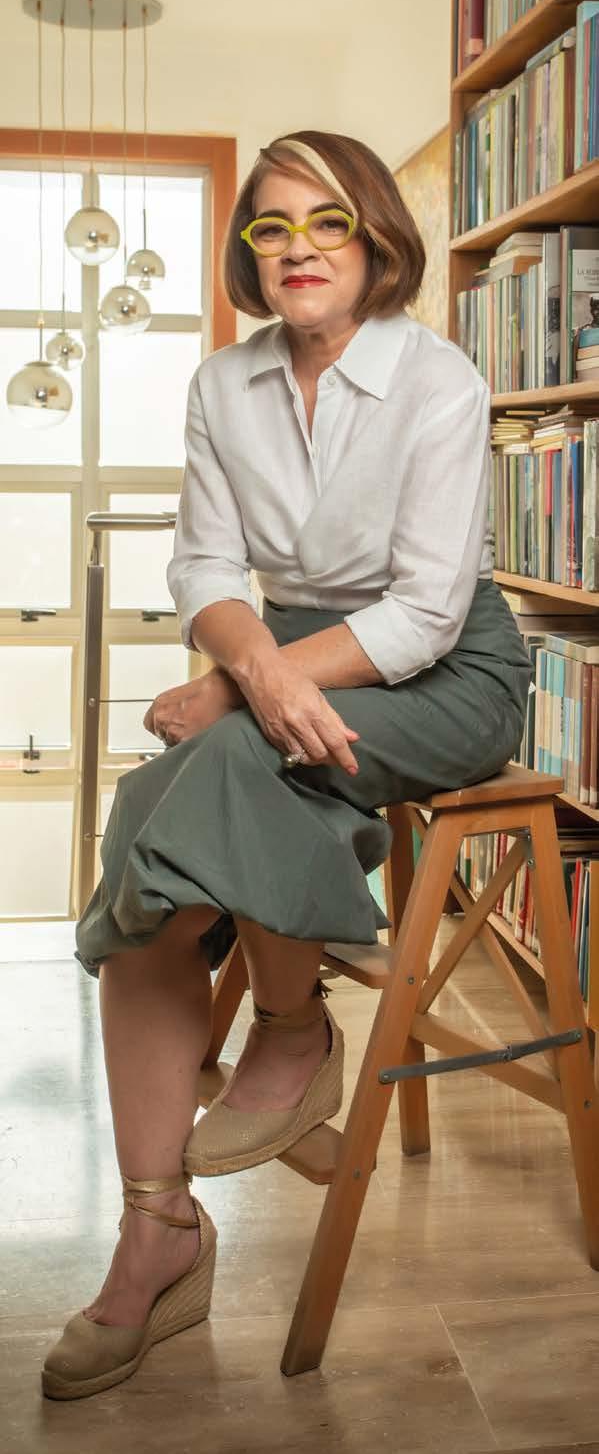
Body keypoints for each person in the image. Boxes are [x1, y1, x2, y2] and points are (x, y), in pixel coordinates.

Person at [42, 129, 532, 1400]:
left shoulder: (437, 379)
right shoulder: (225, 382)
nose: (297, 247)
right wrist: (256, 667)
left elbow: (424, 613)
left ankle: (291, 1022)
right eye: (271, 225)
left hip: (444, 674)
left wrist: (242, 682)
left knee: (215, 767)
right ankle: (157, 1222)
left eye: (327, 222)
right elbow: (204, 563)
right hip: (298, 658)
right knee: (162, 804)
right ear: (248, 250)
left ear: (374, 241)